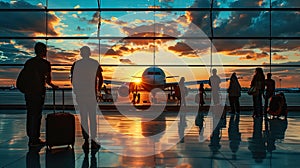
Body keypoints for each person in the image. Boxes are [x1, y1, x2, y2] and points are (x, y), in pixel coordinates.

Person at [23, 42, 58, 147]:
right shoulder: (45, 64)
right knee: (37, 115)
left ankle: (31, 138)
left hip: (29, 92)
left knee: (30, 114)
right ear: (43, 51)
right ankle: (35, 138)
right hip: (39, 93)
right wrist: (53, 86)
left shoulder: (29, 62)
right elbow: (48, 81)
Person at [71, 46, 103, 149]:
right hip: (91, 94)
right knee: (92, 117)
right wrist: (98, 90)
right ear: (89, 53)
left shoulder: (77, 64)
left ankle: (86, 140)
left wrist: (76, 90)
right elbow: (100, 78)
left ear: (81, 54)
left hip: (81, 95)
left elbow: (73, 80)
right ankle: (93, 140)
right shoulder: (94, 63)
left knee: (84, 118)